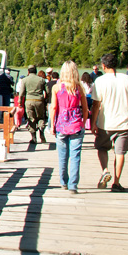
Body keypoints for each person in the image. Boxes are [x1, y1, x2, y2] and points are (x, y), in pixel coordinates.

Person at [90, 53, 128, 192]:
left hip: (105, 123)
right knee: (120, 153)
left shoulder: (100, 81)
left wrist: (93, 123)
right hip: (124, 123)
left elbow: (96, 104)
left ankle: (105, 170)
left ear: (103, 66)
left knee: (102, 148)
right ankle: (117, 182)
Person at [49, 61, 89, 194]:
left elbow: (54, 107)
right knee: (75, 156)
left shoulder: (57, 87)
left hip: (61, 124)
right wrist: (83, 123)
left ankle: (63, 181)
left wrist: (52, 125)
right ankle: (73, 185)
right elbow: (85, 109)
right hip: (76, 124)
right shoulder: (79, 87)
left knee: (62, 156)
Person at [19, 65, 49, 143]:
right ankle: (41, 131)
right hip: (39, 101)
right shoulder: (42, 80)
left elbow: (21, 93)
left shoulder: (25, 80)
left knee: (31, 118)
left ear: (28, 71)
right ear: (36, 71)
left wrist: (19, 102)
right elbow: (47, 91)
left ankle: (33, 137)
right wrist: (46, 100)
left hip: (29, 100)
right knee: (41, 117)